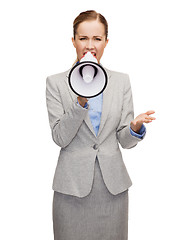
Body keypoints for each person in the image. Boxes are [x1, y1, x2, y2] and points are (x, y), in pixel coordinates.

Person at [46, 10, 156, 240]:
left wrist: (134, 128)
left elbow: (125, 142)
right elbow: (60, 137)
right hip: (71, 191)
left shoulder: (121, 81)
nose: (90, 45)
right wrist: (81, 101)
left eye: (97, 38)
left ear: (106, 41)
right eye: (83, 38)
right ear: (73, 40)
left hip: (112, 190)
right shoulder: (56, 83)